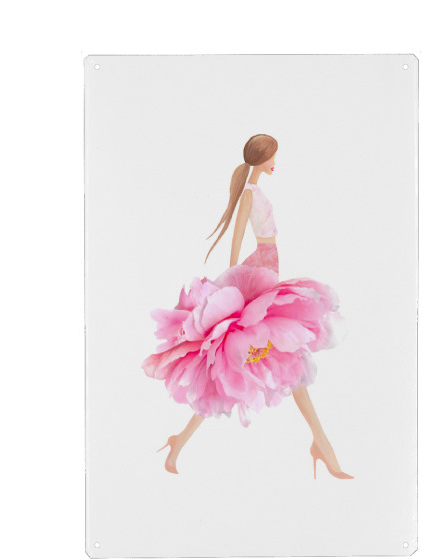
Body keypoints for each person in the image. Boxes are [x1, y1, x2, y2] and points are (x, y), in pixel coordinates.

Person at [143, 134, 353, 480]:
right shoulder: (249, 194)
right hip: (258, 270)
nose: (275, 163)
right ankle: (321, 442)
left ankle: (181, 441)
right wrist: (235, 278)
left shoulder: (254, 191)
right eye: (272, 157)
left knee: (285, 357)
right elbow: (238, 236)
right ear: (260, 158)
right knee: (271, 355)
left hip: (266, 265)